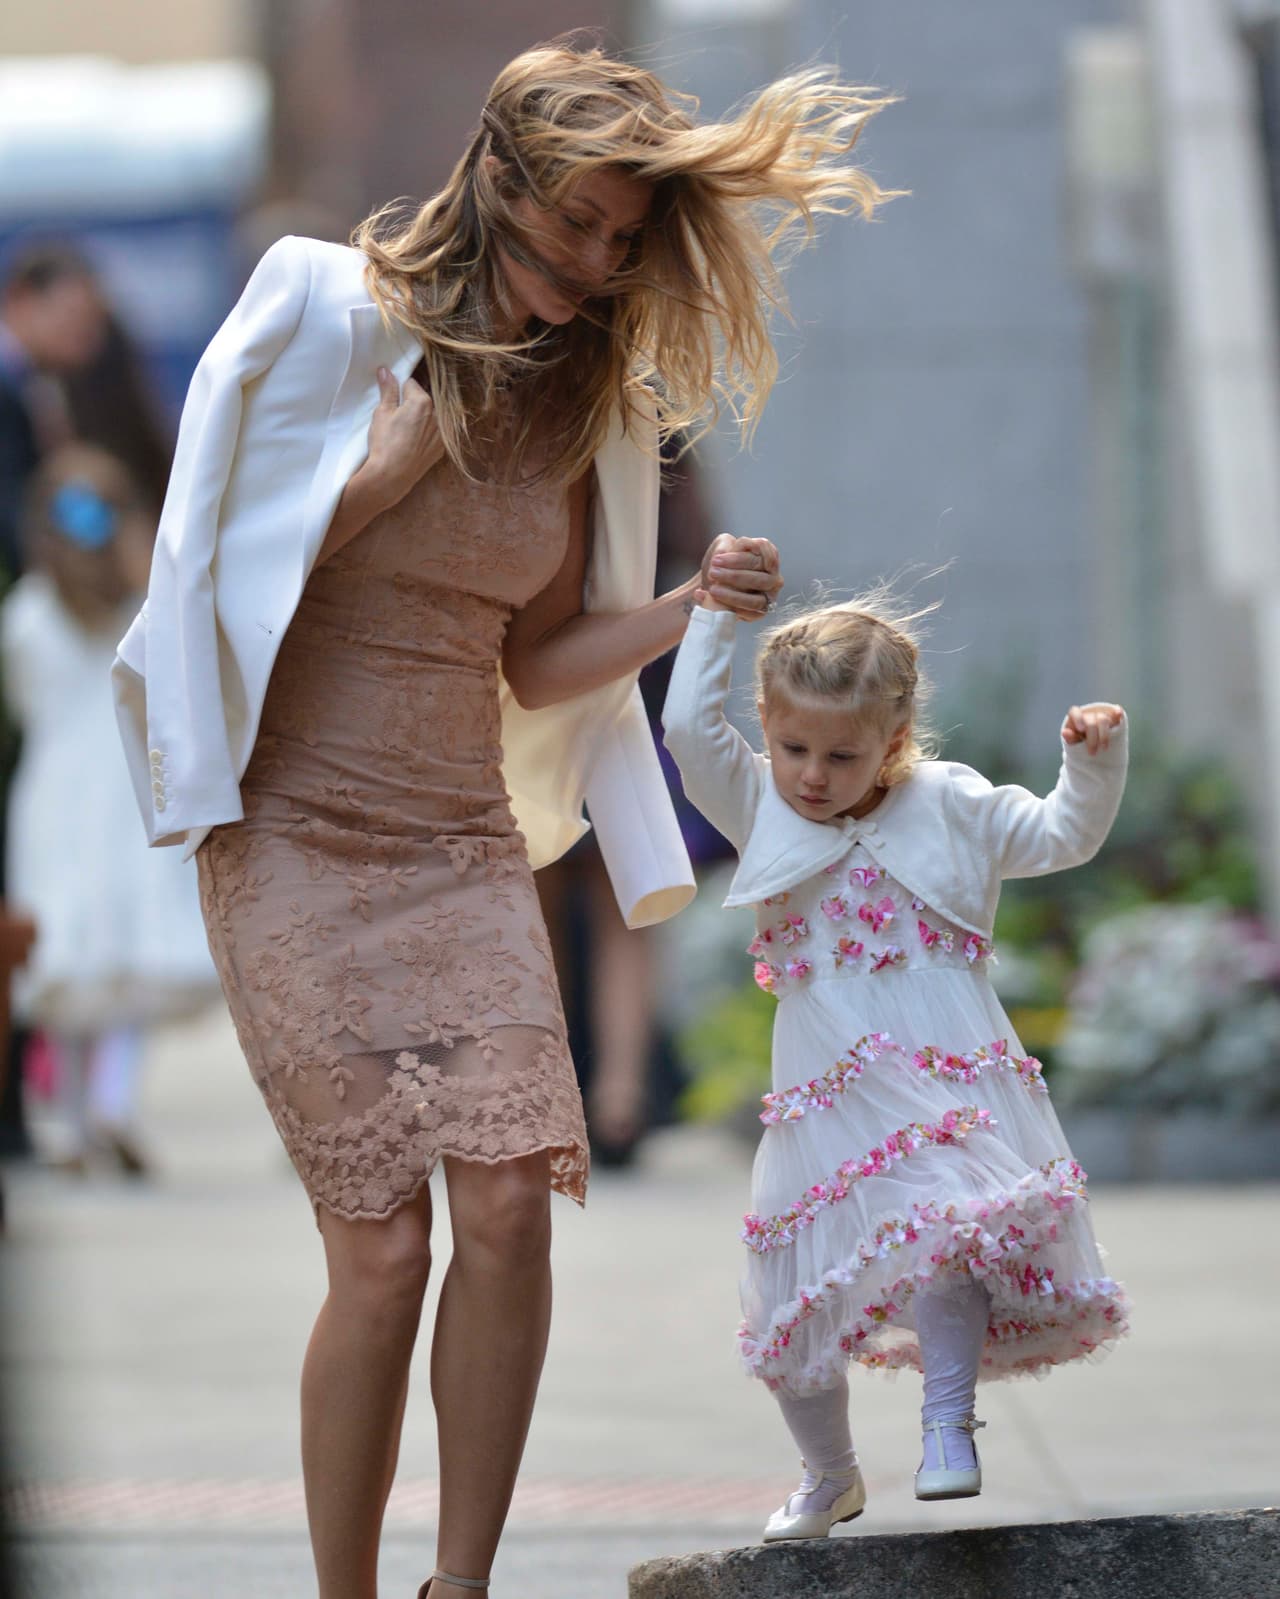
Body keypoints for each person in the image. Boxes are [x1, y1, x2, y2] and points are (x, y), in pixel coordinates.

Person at [110, 39, 897, 1599]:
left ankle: (458, 1585)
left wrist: (684, 606)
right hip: (290, 831)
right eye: (573, 230)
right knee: (385, 1247)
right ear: (495, 182)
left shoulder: (579, 398)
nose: (595, 264)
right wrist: (374, 479)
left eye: (620, 240)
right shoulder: (322, 312)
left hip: (458, 840)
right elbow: (202, 577)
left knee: (512, 1216)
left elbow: (534, 660)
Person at [662, 574, 1131, 1541]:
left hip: (947, 1068)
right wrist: (711, 613)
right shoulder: (761, 802)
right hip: (827, 1084)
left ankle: (948, 1422)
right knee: (796, 1285)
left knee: (947, 1227)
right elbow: (684, 732)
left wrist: (1092, 764)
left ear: (897, 733)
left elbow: (1060, 833)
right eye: (793, 747)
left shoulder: (950, 803)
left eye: (844, 752)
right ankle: (828, 1472)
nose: (814, 776)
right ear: (767, 726)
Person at [3, 446, 216, 1173]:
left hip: (56, 804)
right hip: (128, 792)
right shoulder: (142, 608)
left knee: (69, 961)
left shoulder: (27, 614)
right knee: (127, 954)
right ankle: (110, 1102)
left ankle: (69, 1119)